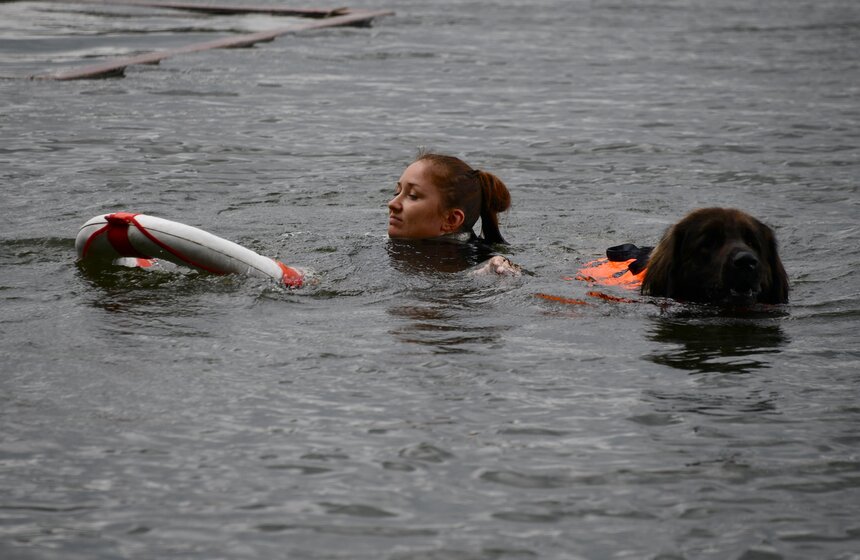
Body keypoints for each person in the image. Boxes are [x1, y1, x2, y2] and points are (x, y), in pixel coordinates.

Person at [387, 151, 520, 275]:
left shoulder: (475, 266)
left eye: (413, 195)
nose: (392, 203)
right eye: (397, 192)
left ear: (451, 220)